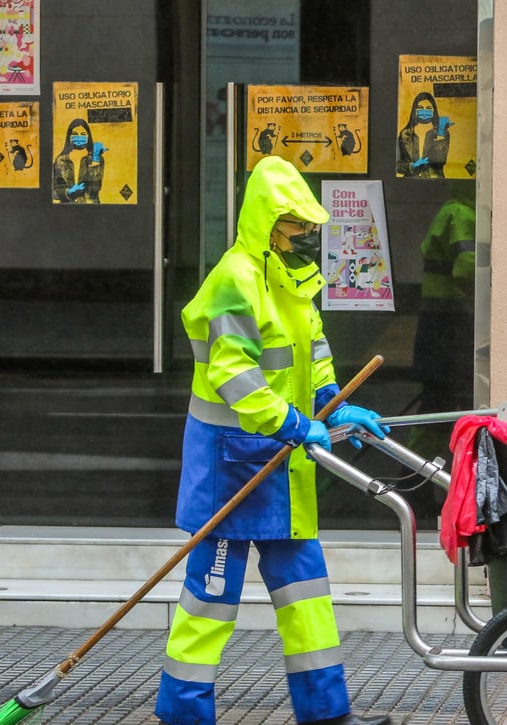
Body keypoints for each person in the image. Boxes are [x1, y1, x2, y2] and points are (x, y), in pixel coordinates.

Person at [154, 156, 390, 725]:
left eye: (311, 229)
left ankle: (328, 715)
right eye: (295, 228)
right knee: (208, 606)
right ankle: (183, 716)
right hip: (229, 467)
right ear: (267, 224)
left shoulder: (295, 281)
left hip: (279, 466)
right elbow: (236, 380)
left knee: (306, 598)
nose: (307, 239)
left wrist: (334, 403)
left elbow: (313, 354)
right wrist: (298, 425)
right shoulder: (234, 282)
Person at [408, 180, 475, 459]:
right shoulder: (462, 214)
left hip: (441, 324)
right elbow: (469, 268)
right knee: (438, 407)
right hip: (449, 326)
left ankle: (417, 474)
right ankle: (416, 476)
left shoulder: (454, 210)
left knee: (435, 406)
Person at [396, 92, 449, 178]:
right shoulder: (405, 134)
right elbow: (397, 164)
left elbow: (440, 161)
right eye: (420, 108)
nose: (424, 111)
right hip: (410, 181)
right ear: (415, 111)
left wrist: (440, 134)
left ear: (434, 111)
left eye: (428, 108)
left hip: (433, 181)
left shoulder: (442, 132)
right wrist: (412, 166)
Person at [52, 118, 104, 203]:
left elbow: (95, 187)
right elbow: (53, 191)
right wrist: (68, 192)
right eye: (75, 134)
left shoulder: (96, 158)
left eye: (83, 134)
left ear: (88, 136)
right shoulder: (60, 160)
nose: (79, 137)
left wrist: (95, 159)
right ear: (69, 136)